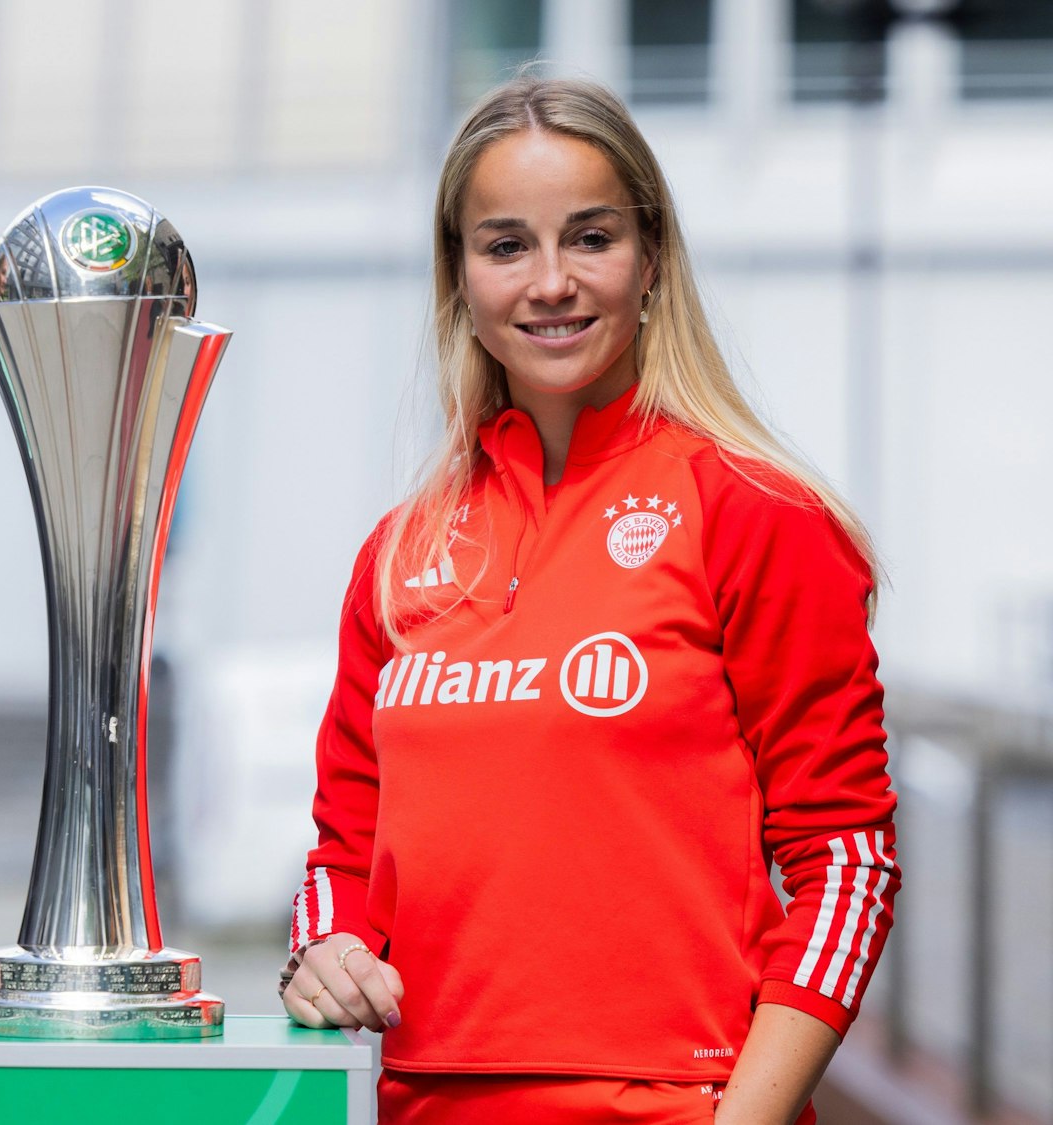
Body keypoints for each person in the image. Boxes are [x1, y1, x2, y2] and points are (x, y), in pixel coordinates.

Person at [280, 76, 897, 1124]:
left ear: (650, 258)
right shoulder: (399, 553)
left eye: (591, 238)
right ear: (459, 278)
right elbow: (342, 850)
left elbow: (845, 859)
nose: (550, 282)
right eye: (506, 245)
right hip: (419, 1102)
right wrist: (322, 956)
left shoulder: (750, 512)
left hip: (674, 1104)